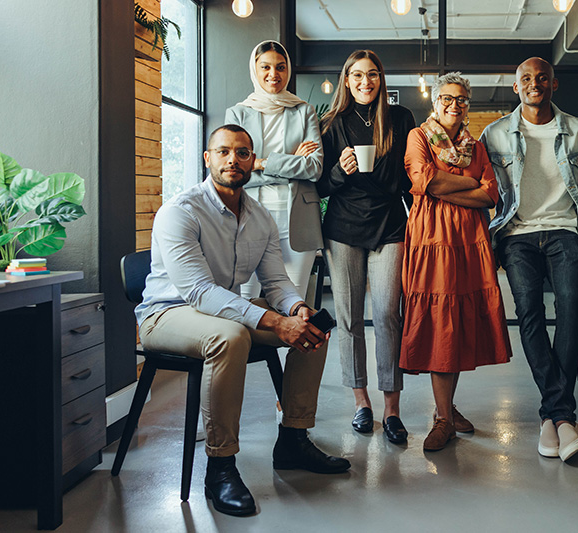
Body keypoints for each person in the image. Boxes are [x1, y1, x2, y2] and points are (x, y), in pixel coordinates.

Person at [134, 125, 350, 517]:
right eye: (223, 152)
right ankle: (220, 468)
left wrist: (296, 309)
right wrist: (272, 320)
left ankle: (293, 438)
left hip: (224, 308)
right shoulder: (180, 212)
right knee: (231, 337)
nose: (233, 159)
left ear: (253, 160)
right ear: (208, 158)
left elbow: (276, 281)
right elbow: (199, 292)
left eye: (242, 153)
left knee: (315, 324)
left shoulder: (260, 216)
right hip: (166, 313)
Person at [480, 58, 578, 462]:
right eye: (526, 79)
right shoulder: (493, 135)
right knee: (528, 311)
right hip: (518, 234)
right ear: (516, 87)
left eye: (541, 78)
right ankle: (563, 416)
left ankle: (554, 416)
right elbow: (485, 193)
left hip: (566, 230)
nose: (534, 84)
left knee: (571, 308)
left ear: (554, 84)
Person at [401, 72, 512, 452]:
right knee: (439, 321)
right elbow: (424, 181)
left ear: (468, 105)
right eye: (446, 98)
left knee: (460, 319)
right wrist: (468, 184)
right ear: (435, 103)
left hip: (468, 240)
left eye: (461, 99)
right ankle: (444, 418)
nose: (454, 105)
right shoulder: (419, 137)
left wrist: (447, 183)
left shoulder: (475, 146)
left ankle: (445, 409)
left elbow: (491, 195)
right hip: (433, 240)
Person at [318, 50, 415, 444]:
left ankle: (392, 408)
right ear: (346, 79)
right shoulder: (331, 124)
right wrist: (341, 171)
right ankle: (361, 401)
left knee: (388, 313)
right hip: (343, 229)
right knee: (349, 317)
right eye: (357, 75)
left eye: (372, 74)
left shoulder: (401, 118)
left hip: (391, 227)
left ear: (381, 79)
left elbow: (409, 177)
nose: (365, 81)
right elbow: (321, 186)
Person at [225, 40, 323, 301]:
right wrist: (290, 161)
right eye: (265, 67)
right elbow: (234, 173)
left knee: (292, 301)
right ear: (254, 70)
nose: (274, 74)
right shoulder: (237, 114)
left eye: (280, 67)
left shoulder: (304, 111)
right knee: (244, 301)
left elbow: (313, 168)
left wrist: (261, 162)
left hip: (297, 220)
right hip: (248, 216)